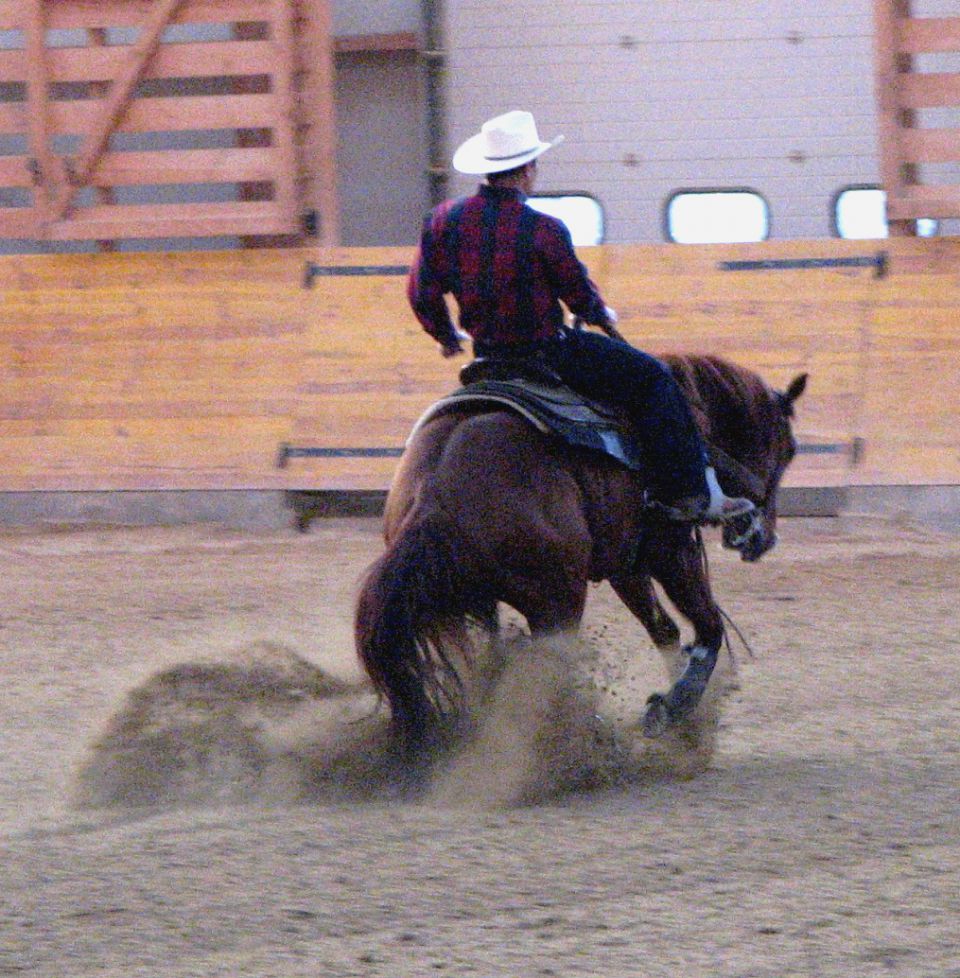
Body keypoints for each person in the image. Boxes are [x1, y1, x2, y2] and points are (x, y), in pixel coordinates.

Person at [407, 109, 754, 525]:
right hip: (547, 354)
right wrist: (596, 311)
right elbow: (576, 292)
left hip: (485, 360)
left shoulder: (443, 221)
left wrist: (446, 335)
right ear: (527, 170)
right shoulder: (543, 229)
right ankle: (688, 493)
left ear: (488, 169)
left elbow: (421, 292)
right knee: (655, 379)